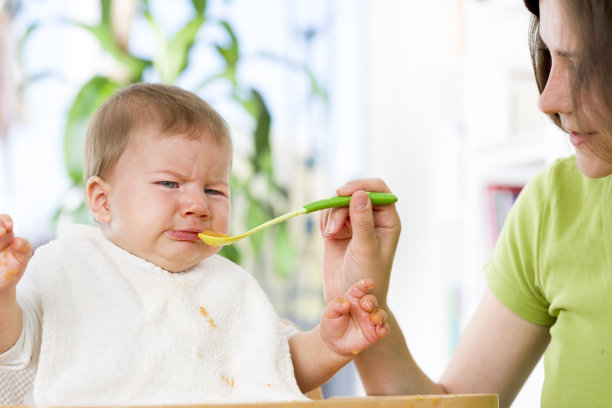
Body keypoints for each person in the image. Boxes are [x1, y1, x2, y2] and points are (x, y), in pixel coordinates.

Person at [0, 83, 390, 405]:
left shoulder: (227, 284)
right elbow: (14, 348)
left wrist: (327, 345)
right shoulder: (69, 266)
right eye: (170, 184)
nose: (199, 206)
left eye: (214, 190)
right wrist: (3, 292)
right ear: (102, 200)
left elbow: (275, 369)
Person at [319, 0, 612, 407]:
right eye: (551, 55)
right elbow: (455, 402)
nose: (547, 99)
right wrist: (362, 299)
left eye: (576, 62)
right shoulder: (552, 207)